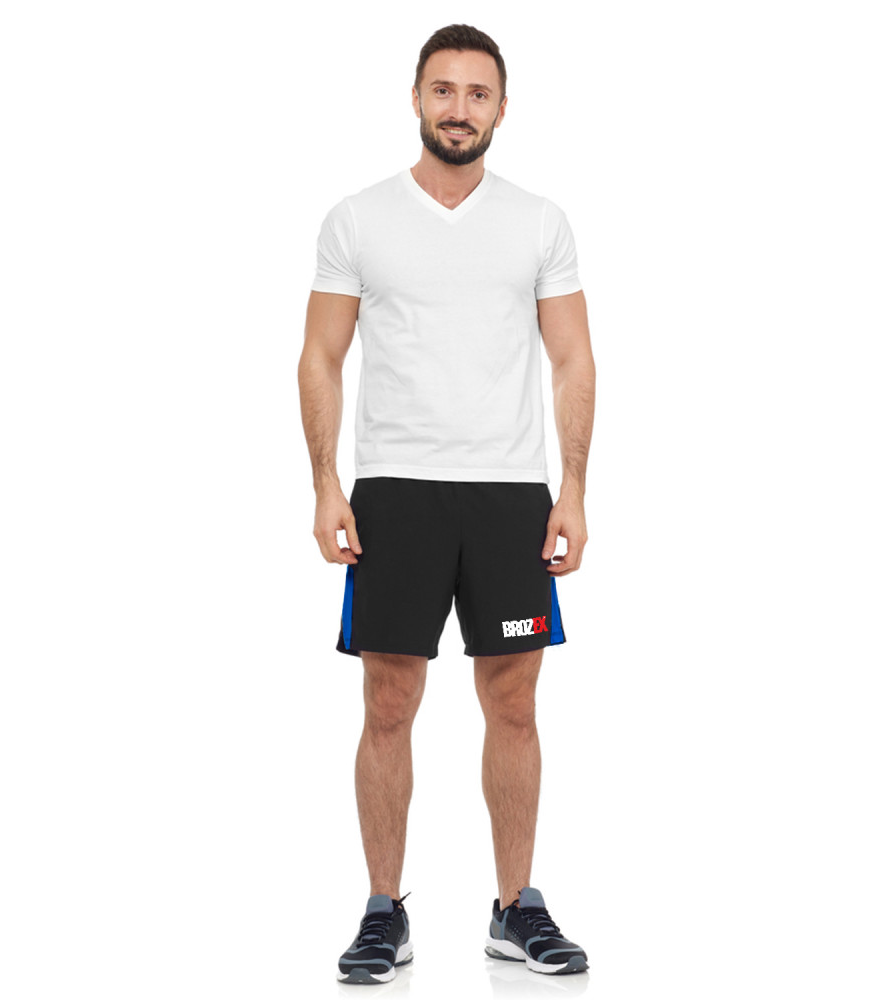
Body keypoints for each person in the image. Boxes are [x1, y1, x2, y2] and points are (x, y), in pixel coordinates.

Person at [298, 24, 596, 984]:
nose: (458, 109)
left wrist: (574, 489)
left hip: (511, 495)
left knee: (514, 702)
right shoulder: (358, 219)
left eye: (477, 93)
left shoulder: (539, 222)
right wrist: (325, 481)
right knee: (388, 702)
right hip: (395, 491)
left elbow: (572, 359)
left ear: (502, 107)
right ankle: (383, 911)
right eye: (443, 90)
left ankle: (516, 906)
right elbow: (320, 357)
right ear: (417, 99)